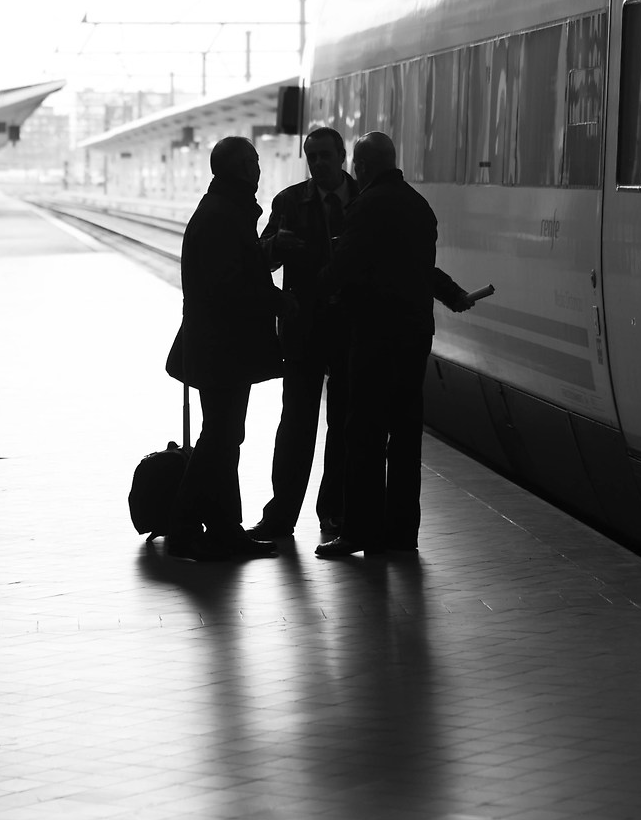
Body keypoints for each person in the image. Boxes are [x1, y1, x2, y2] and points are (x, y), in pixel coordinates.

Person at [315, 130, 480, 559]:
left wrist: (312, 293)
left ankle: (359, 531)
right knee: (405, 435)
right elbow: (420, 269)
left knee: (364, 434)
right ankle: (402, 533)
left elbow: (346, 265)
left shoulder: (366, 206)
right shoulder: (419, 207)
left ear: (363, 166)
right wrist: (453, 294)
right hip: (414, 336)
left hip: (374, 336)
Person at [163, 136, 284, 561]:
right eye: (252, 161)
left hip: (222, 345)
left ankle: (224, 528)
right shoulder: (222, 216)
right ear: (237, 169)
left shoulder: (226, 210)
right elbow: (231, 286)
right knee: (220, 436)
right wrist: (278, 301)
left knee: (224, 435)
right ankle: (184, 528)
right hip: (222, 347)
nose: (258, 168)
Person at [249, 127, 357, 544]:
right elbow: (260, 259)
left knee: (344, 425)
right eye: (312, 156)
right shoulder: (289, 202)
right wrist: (276, 245)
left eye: (326, 155)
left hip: (349, 328)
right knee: (296, 425)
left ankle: (335, 513)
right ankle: (281, 516)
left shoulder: (363, 200)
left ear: (342, 155)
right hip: (303, 328)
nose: (319, 163)